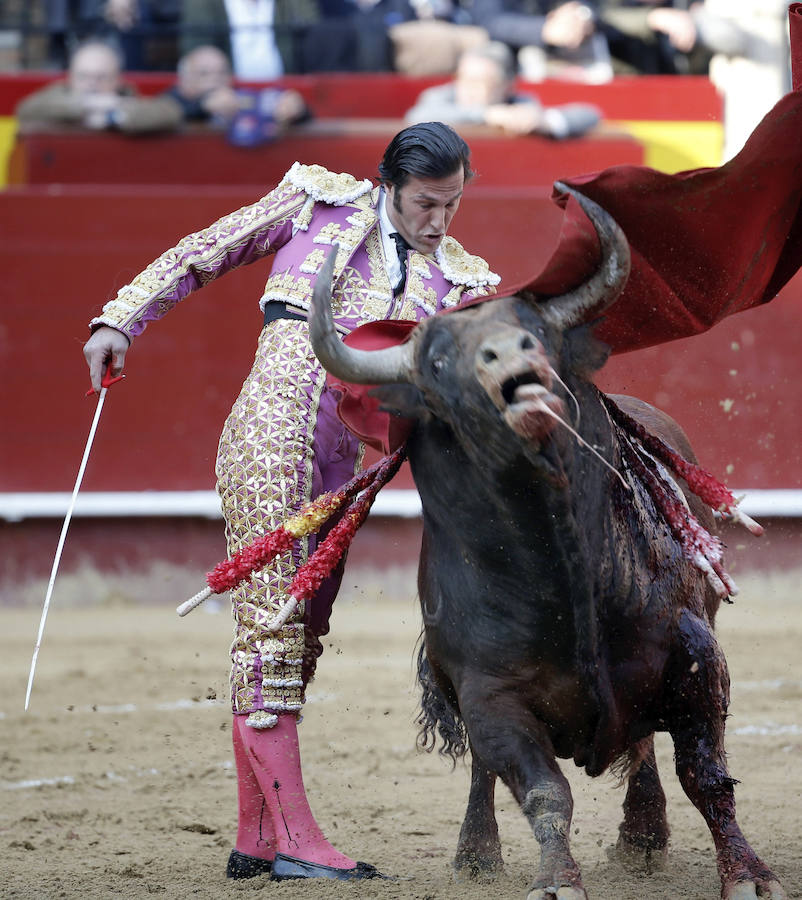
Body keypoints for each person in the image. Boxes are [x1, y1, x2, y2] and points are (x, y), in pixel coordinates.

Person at [81, 122, 499, 882]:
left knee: (298, 635)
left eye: (453, 204)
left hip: (353, 467)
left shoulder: (464, 282)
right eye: (424, 203)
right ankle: (300, 842)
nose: (438, 222)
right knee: (272, 625)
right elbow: (203, 252)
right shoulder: (317, 203)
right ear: (387, 185)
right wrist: (120, 318)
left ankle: (257, 838)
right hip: (274, 425)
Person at [405, 41, 602, 138]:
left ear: (507, 87)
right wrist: (488, 114)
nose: (468, 89)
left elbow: (590, 114)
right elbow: (417, 116)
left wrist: (543, 122)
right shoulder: (438, 97)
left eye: (482, 82)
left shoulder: (521, 103)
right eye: (464, 79)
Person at [15, 39, 182, 133]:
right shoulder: (57, 93)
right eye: (84, 76)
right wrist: (84, 106)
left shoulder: (126, 97)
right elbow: (26, 110)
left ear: (117, 80)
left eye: (101, 77)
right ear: (71, 77)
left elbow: (171, 113)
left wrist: (114, 116)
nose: (91, 84)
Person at [164, 45, 310, 144]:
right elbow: (170, 111)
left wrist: (296, 108)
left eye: (222, 72)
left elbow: (302, 115)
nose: (215, 79)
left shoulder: (241, 98)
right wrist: (203, 105)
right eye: (204, 74)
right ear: (185, 80)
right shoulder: (172, 99)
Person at [179, 0, 320, 79]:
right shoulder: (201, 4)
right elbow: (198, 58)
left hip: (287, 96)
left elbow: (316, 42)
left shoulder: (294, 4)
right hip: (226, 99)